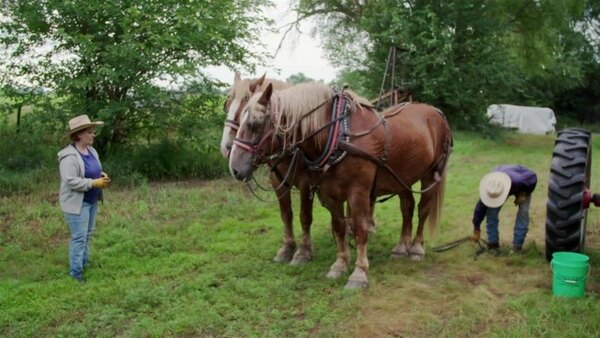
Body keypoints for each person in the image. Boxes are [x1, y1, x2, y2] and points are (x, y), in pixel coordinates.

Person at [58, 114, 111, 283]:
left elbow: (92, 170)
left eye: (93, 131)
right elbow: (71, 180)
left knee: (87, 234)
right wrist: (94, 182)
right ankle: (76, 273)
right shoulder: (68, 156)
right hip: (77, 203)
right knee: (79, 237)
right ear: (79, 135)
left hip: (92, 200)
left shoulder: (92, 151)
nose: (93, 135)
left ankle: (84, 263)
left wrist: (101, 175)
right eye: (90, 132)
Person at [471, 165, 537, 253]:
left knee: (523, 212)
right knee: (491, 212)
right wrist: (476, 229)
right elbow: (479, 210)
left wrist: (524, 193)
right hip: (502, 177)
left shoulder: (519, 181)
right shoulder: (491, 188)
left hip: (523, 185)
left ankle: (517, 246)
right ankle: (493, 243)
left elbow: (532, 177)